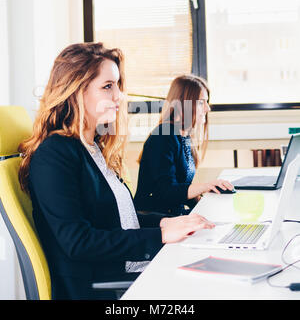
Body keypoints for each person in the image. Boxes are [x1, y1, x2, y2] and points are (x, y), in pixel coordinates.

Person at [18, 43, 214, 300]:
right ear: (76, 91)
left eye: (118, 85)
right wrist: (161, 235)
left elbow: (118, 219)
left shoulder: (93, 147)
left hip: (124, 271)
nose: (119, 96)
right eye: (107, 86)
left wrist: (165, 222)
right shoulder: (54, 153)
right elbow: (78, 242)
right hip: (102, 287)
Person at [134, 74, 234, 216]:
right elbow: (166, 192)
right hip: (154, 219)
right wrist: (205, 186)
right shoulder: (163, 136)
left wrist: (204, 203)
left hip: (173, 214)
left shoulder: (184, 135)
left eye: (207, 102)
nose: (207, 108)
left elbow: (181, 189)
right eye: (201, 102)